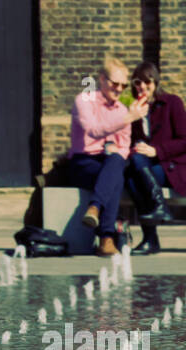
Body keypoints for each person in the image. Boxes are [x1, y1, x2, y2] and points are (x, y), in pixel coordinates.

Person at [66, 56, 146, 257]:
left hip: (108, 162)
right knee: (115, 176)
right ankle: (106, 239)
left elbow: (124, 146)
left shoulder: (121, 109)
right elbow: (93, 130)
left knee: (116, 163)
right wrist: (128, 118)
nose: (119, 89)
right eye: (114, 83)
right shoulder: (84, 100)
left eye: (123, 85)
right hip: (83, 162)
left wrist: (116, 150)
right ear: (101, 79)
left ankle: (95, 208)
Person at [125, 62, 186, 256]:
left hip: (172, 167)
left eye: (147, 82)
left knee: (136, 168)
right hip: (146, 168)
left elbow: (184, 142)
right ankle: (157, 216)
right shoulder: (135, 109)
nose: (143, 87)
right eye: (138, 83)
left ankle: (151, 237)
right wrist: (132, 117)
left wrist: (156, 151)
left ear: (155, 82)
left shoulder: (172, 103)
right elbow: (130, 141)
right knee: (132, 174)